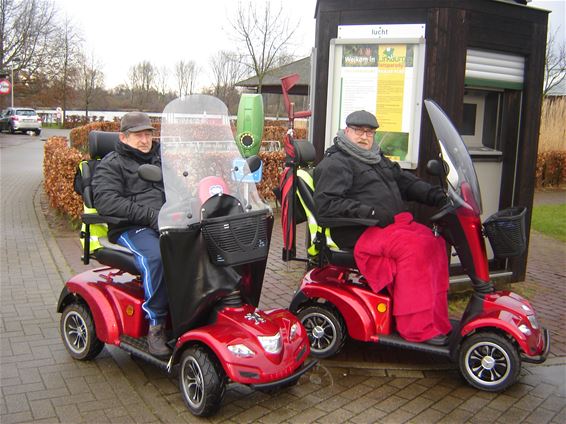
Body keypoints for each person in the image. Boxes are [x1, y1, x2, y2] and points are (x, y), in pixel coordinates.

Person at [314, 110, 452, 345]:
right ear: (346, 131)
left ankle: (433, 318)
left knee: (434, 241)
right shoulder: (337, 162)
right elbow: (327, 205)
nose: (364, 136)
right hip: (359, 231)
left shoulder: (376, 158)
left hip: (387, 226)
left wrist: (435, 195)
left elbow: (405, 181)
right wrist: (372, 213)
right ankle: (416, 328)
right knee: (415, 249)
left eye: (369, 132)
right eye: (358, 131)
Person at [92, 112, 169, 356]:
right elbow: (106, 201)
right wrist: (149, 217)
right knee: (157, 257)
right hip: (131, 227)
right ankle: (156, 325)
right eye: (138, 135)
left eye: (148, 134)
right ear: (123, 138)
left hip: (167, 222)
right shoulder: (112, 163)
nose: (145, 140)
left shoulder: (161, 158)